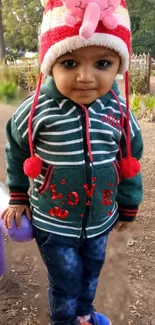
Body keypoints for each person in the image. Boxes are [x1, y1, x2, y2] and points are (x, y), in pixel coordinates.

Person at [1, 0, 143, 324]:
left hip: (100, 220)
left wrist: (129, 203)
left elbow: (129, 159)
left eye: (102, 63)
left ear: (118, 65)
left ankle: (83, 315)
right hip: (53, 222)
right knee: (65, 280)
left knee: (91, 274)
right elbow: (17, 150)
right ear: (48, 63)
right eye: (69, 62)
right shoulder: (36, 111)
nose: (85, 77)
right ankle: (63, 320)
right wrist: (20, 196)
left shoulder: (119, 112)